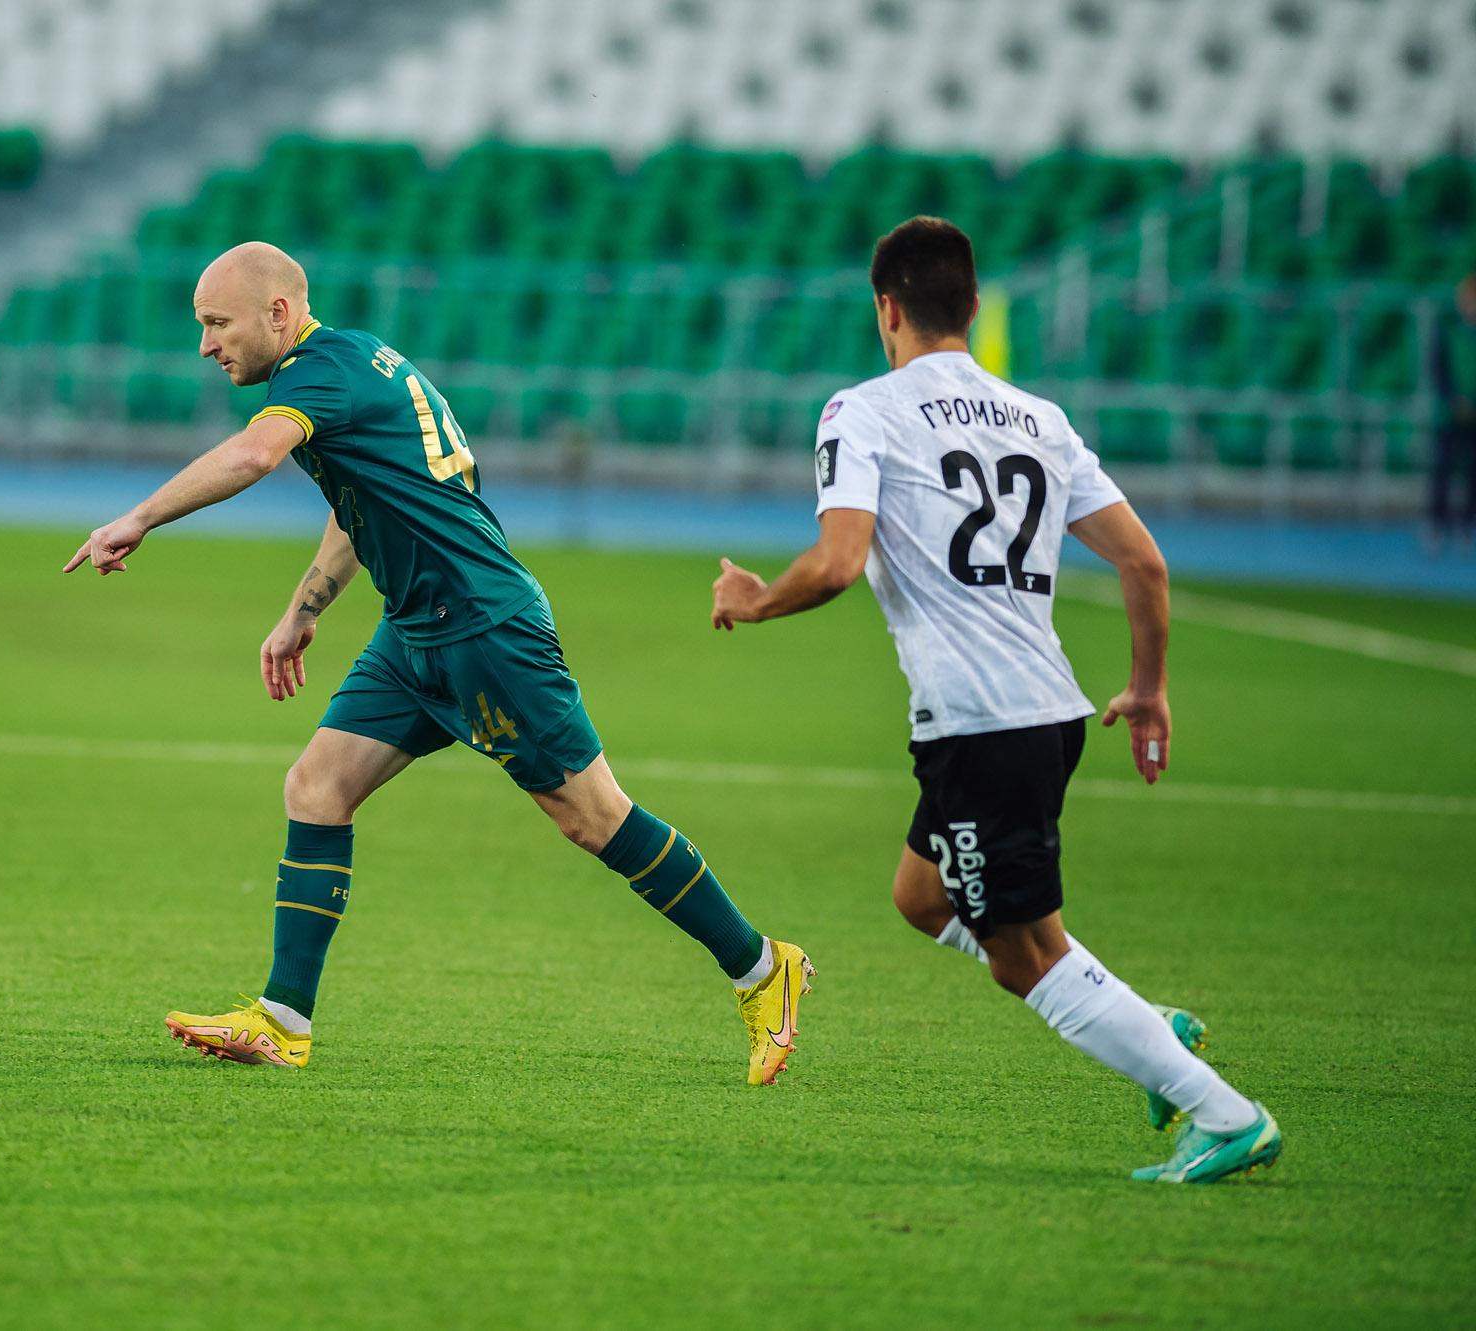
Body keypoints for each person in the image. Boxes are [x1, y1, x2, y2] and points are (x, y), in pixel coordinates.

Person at [65, 242, 810, 1084]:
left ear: (278, 313)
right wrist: (304, 609)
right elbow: (363, 503)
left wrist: (138, 518)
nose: (205, 345)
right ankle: (282, 1019)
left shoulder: (316, 372)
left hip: (486, 626)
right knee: (318, 785)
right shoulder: (352, 364)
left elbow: (250, 457)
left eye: (216, 323)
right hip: (416, 627)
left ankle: (761, 967)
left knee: (592, 816)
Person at [709, 217, 1281, 1181]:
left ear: (884, 307)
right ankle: (1146, 1029)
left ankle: (1222, 1112)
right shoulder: (1040, 419)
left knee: (1023, 956)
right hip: (1045, 709)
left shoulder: (864, 410)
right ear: (973, 308)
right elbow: (1144, 560)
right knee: (921, 894)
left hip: (984, 722)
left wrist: (756, 599)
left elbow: (841, 561)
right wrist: (1147, 688)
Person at [1427, 272, 1476, 553]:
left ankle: (1466, 527)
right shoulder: (1449, 329)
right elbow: (1438, 368)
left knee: (1471, 474)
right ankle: (1436, 526)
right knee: (1443, 470)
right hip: (1448, 414)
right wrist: (1452, 399)